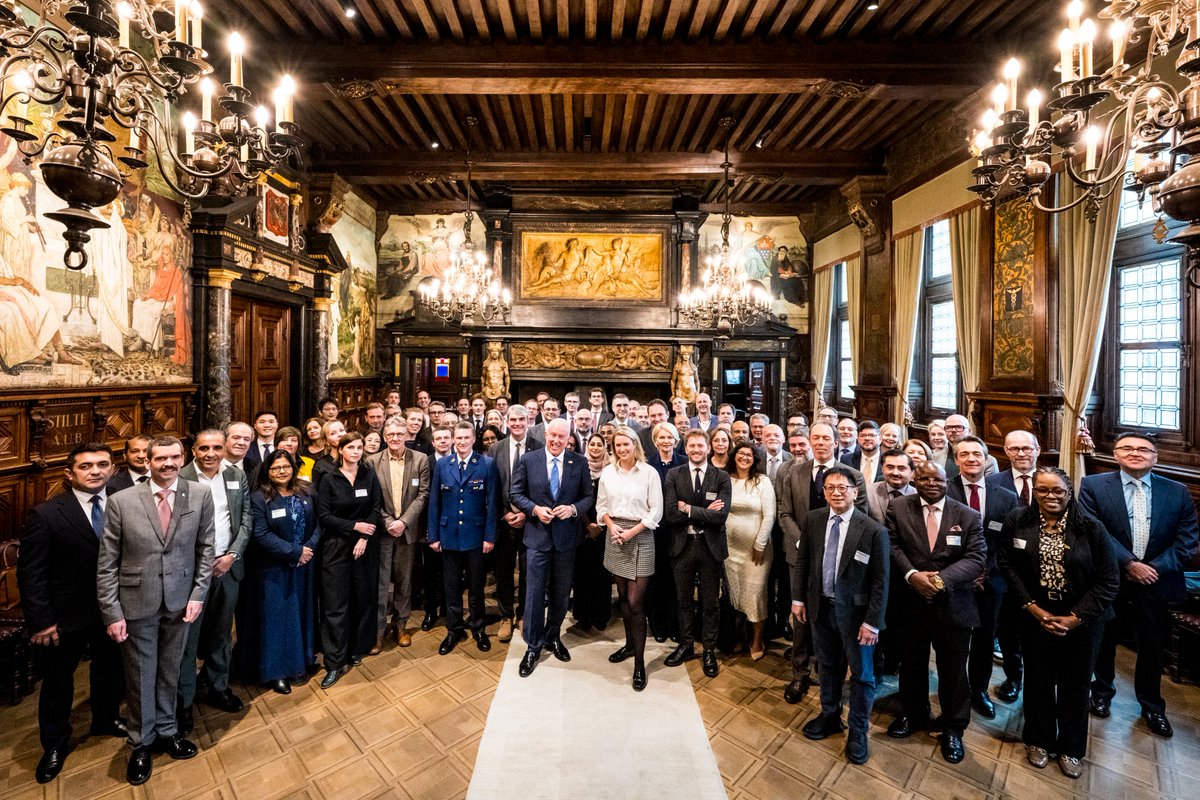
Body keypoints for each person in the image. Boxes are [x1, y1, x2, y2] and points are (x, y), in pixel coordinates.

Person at [96, 436, 214, 786]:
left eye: (175, 457)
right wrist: (112, 612)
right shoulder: (121, 501)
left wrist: (198, 594)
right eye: (160, 458)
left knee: (170, 669)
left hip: (181, 601)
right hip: (137, 602)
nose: (168, 463)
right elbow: (107, 564)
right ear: (147, 461)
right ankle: (141, 742)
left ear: (183, 458)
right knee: (140, 675)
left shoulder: (199, 494)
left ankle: (168, 730)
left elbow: (206, 548)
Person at [998, 466, 1119, 779]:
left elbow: (1108, 580)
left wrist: (1075, 618)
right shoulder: (1017, 519)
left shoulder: (1091, 528)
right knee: (1037, 679)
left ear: (1069, 493)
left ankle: (1071, 748)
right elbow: (1007, 565)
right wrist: (1033, 608)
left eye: (1057, 491)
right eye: (1043, 490)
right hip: (1035, 616)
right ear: (1034, 491)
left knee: (1075, 685)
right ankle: (1038, 739)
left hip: (1082, 622)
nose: (1050, 496)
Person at [1079, 432, 1200, 738]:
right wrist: (1129, 565)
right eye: (1127, 448)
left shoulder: (1177, 491)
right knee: (1105, 641)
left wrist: (1151, 569)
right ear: (1116, 455)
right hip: (1110, 579)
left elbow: (1187, 542)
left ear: (1155, 458)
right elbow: (1093, 531)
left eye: (1144, 449)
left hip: (1158, 582)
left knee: (1152, 648)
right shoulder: (1093, 486)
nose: (1135, 453)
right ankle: (1102, 694)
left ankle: (1152, 706)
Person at [19, 443, 127, 784]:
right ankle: (54, 742)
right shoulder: (48, 513)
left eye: (102, 464)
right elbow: (31, 573)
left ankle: (105, 718)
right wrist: (41, 620)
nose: (95, 471)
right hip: (64, 616)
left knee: (110, 670)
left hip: (113, 610)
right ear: (70, 474)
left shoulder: (125, 504)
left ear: (112, 469)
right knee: (58, 682)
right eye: (86, 466)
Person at [884, 461, 985, 764]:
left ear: (947, 482)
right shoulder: (899, 508)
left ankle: (953, 727)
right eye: (924, 478)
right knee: (912, 664)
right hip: (910, 603)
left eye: (937, 480)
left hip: (953, 605)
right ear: (914, 480)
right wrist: (912, 575)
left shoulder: (967, 515)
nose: (931, 483)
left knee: (954, 671)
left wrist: (940, 580)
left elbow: (977, 557)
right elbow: (890, 545)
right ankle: (914, 714)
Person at [793, 465, 890, 765]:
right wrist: (798, 599)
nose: (836, 492)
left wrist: (873, 622)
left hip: (857, 616)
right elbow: (803, 561)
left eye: (842, 487)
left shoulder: (873, 530)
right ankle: (830, 714)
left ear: (855, 492)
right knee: (827, 665)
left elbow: (880, 581)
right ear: (823, 492)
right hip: (820, 607)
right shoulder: (814, 519)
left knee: (861, 675)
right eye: (830, 488)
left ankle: (858, 730)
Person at [776, 422, 868, 704]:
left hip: (838, 560)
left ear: (836, 441)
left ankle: (831, 674)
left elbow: (861, 515)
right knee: (801, 614)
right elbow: (785, 513)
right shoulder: (795, 471)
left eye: (826, 438)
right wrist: (804, 542)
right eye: (814, 437)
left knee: (833, 616)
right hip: (800, 554)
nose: (820, 442)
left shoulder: (852, 475)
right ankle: (799, 673)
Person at [177, 430, 251, 733]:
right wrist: (200, 564)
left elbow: (246, 518)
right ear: (193, 449)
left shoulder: (235, 475)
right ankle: (183, 701)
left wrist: (232, 555)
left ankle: (218, 685)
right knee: (186, 639)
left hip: (227, 565)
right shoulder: (181, 478)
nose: (211, 453)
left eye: (217, 447)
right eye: (204, 448)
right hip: (191, 573)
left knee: (222, 631)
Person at [511, 418, 594, 677]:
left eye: (562, 437)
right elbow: (515, 494)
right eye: (553, 435)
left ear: (569, 438)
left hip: (566, 539)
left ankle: (553, 635)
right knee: (534, 594)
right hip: (537, 538)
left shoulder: (578, 462)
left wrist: (572, 509)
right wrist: (534, 509)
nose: (557, 441)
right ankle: (533, 645)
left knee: (560, 592)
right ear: (546, 434)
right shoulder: (529, 459)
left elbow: (588, 497)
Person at [944, 435, 1019, 720]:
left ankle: (979, 690)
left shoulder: (1005, 496)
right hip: (954, 580)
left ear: (986, 458)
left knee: (985, 640)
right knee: (954, 641)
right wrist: (964, 573)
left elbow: (1008, 543)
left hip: (991, 580)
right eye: (965, 454)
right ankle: (954, 691)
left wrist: (985, 571)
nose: (972, 459)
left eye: (977, 453)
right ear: (957, 459)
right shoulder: (945, 490)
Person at [244, 450, 320, 694]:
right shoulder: (259, 497)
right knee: (277, 620)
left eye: (286, 466)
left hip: (304, 566)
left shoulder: (306, 491)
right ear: (268, 471)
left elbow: (318, 523)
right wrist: (294, 551)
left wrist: (308, 548)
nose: (282, 471)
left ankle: (303, 661)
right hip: (274, 568)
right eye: (276, 468)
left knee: (302, 614)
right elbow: (260, 534)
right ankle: (276, 671)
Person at [597, 426, 664, 691]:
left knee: (637, 601)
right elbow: (601, 506)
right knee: (623, 597)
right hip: (615, 535)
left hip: (641, 534)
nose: (622, 449)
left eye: (627, 445)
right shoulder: (607, 472)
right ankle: (628, 644)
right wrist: (612, 527)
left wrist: (631, 532)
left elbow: (655, 511)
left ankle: (639, 662)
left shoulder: (649, 473)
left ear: (635, 445)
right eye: (618, 446)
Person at [315, 432, 384, 689]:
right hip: (336, 546)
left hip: (365, 546)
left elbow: (376, 507)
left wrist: (364, 537)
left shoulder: (368, 474)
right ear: (340, 450)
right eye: (351, 447)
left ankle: (357, 647)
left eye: (359, 447)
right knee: (335, 604)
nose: (356, 451)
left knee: (361, 599)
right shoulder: (329, 479)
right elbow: (324, 515)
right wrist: (355, 526)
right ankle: (334, 661)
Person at [663, 429, 733, 678]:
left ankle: (709, 650)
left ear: (708, 448)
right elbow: (671, 514)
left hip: (710, 546)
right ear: (686, 448)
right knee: (683, 600)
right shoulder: (674, 474)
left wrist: (689, 509)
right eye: (691, 446)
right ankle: (686, 644)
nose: (695, 450)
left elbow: (721, 516)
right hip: (681, 546)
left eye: (700, 446)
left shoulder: (722, 477)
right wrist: (704, 510)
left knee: (710, 602)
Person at [428, 421, 499, 655]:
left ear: (473, 439)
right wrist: (434, 536)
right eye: (457, 438)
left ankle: (478, 627)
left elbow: (493, 504)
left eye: (466, 438)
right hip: (448, 535)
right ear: (452, 440)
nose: (461, 442)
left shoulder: (486, 464)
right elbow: (435, 503)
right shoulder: (443, 465)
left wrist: (489, 536)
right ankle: (454, 628)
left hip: (476, 536)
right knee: (451, 586)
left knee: (477, 586)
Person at [366, 417, 431, 649]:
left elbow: (423, 494)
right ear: (384, 437)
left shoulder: (420, 460)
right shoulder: (372, 461)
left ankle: (400, 625)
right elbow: (371, 498)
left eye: (399, 434)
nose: (395, 438)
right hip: (382, 532)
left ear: (406, 436)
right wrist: (387, 521)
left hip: (407, 531)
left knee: (404, 580)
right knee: (381, 582)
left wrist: (403, 522)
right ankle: (378, 630)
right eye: (391, 434)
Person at [488, 405, 543, 643]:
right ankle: (506, 615)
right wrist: (504, 514)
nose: (517, 423)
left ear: (528, 421)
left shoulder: (539, 447)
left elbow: (542, 486)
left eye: (521, 419)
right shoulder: (495, 449)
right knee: (504, 571)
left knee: (529, 571)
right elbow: (491, 487)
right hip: (504, 520)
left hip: (530, 521)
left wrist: (526, 513)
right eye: (513, 420)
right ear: (506, 422)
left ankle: (524, 614)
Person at [725, 441, 776, 660]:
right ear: (734, 456)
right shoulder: (725, 479)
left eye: (749, 455)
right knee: (735, 596)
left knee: (755, 595)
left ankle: (757, 639)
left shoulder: (761, 481)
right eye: (740, 453)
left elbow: (770, 515)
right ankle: (738, 636)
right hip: (729, 550)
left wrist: (760, 543)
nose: (744, 457)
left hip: (756, 551)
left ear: (755, 459)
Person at [645, 421, 686, 642]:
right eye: (662, 437)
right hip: (654, 530)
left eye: (670, 437)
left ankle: (676, 625)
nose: (666, 441)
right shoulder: (647, 464)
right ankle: (658, 624)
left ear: (676, 440)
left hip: (679, 529)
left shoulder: (684, 463)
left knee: (677, 580)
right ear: (655, 441)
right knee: (656, 579)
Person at [571, 433, 612, 633]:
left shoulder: (612, 470)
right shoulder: (579, 467)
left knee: (602, 574)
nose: (595, 447)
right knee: (582, 574)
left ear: (605, 448)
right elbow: (575, 497)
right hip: (581, 528)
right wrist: (589, 524)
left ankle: (601, 615)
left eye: (599, 444)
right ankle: (583, 616)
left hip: (605, 528)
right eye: (592, 444)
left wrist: (600, 525)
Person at [865, 449, 916, 525]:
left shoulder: (918, 495)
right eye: (890, 467)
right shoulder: (868, 491)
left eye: (901, 468)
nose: (895, 473)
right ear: (882, 469)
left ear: (912, 472)